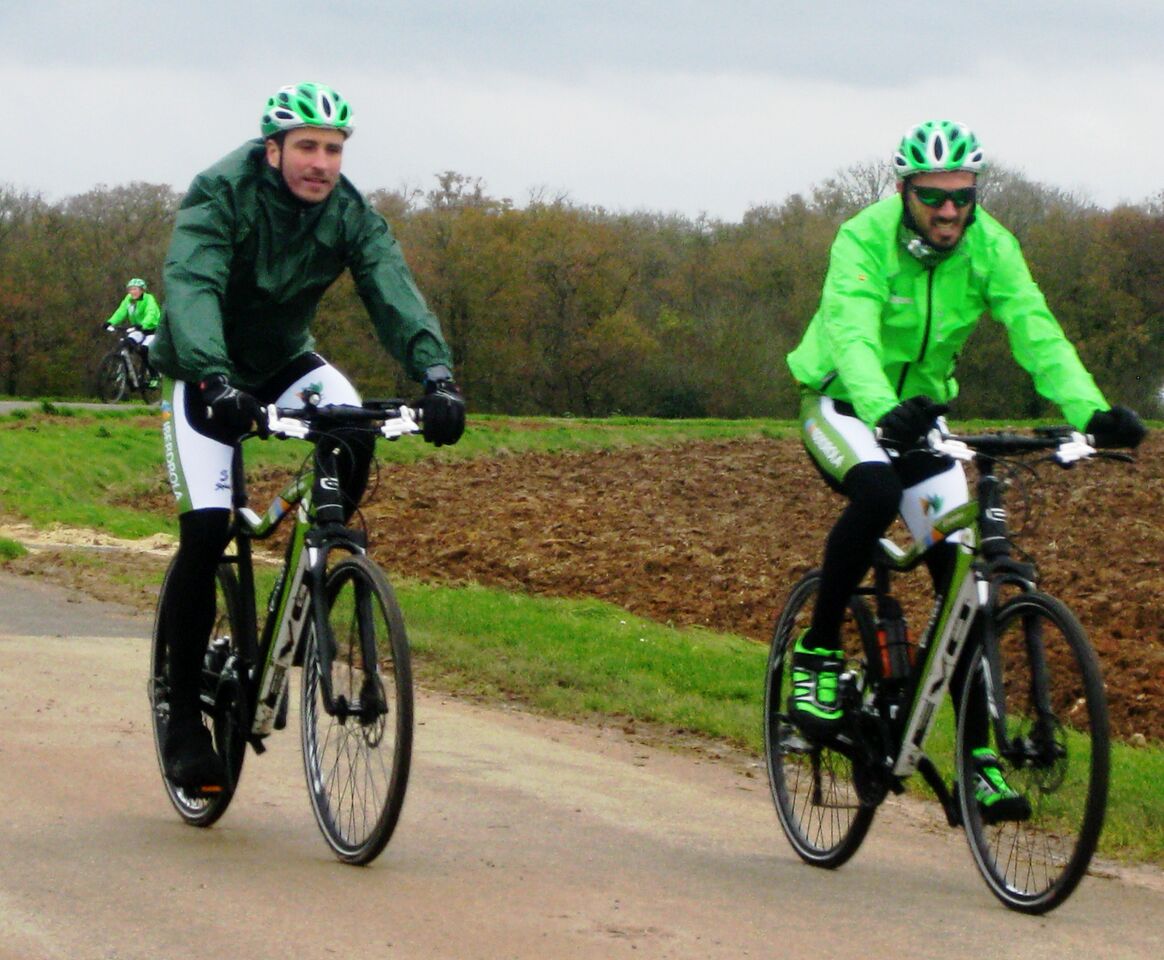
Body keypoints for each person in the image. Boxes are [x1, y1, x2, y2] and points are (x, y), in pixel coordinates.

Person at [785, 119, 1145, 819]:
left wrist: (1092, 411)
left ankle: (978, 759)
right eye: (933, 196)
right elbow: (852, 332)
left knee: (963, 585)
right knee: (876, 493)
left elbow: (1036, 330)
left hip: (920, 416)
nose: (949, 210)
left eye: (962, 195)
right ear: (904, 191)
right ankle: (818, 652)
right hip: (842, 404)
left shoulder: (991, 246)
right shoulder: (864, 238)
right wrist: (882, 408)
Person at [150, 81, 466, 792]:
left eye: (333, 149)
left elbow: (391, 287)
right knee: (206, 531)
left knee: (353, 431)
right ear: (274, 150)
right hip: (205, 370)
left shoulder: (349, 212)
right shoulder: (221, 194)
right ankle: (181, 715)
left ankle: (309, 584)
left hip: (285, 358)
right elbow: (193, 281)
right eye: (307, 147)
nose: (321, 163)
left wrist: (438, 376)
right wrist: (212, 376)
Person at [104, 277, 161, 385]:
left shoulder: (149, 299)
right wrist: (110, 322)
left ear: (142, 290)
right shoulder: (128, 300)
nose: (132, 292)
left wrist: (143, 324)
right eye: (130, 289)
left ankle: (154, 376)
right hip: (138, 329)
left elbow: (151, 314)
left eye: (135, 289)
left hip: (151, 330)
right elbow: (121, 312)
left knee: (144, 350)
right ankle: (130, 368)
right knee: (126, 343)